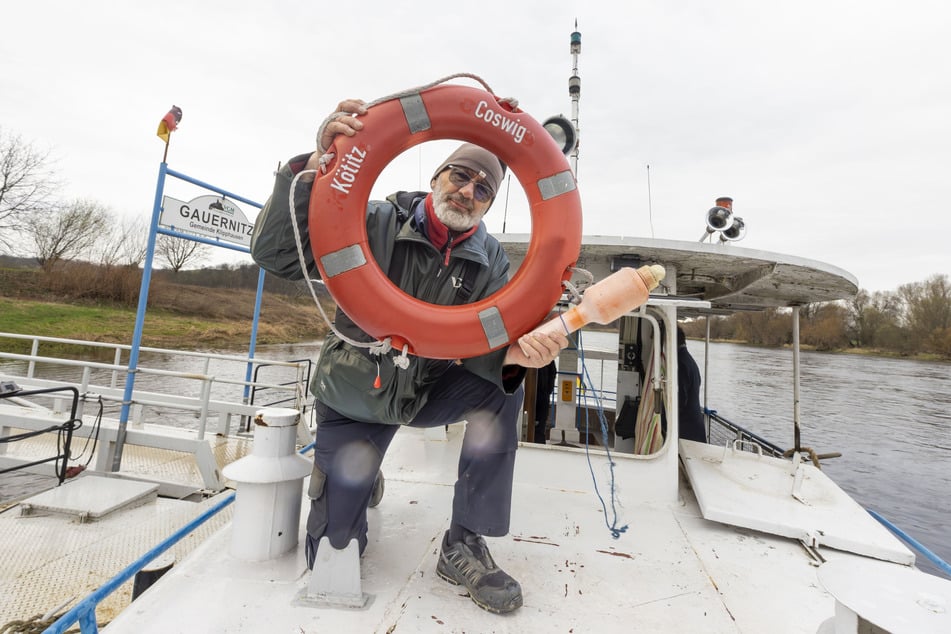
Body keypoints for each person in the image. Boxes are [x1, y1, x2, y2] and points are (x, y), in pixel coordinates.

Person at [250, 98, 568, 615]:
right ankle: (358, 477)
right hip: (355, 396)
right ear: (437, 174)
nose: (467, 192)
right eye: (459, 176)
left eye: (482, 189)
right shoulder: (370, 221)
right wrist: (312, 168)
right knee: (333, 551)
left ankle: (464, 542)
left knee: (502, 387)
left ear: (489, 204)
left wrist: (521, 356)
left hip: (424, 393)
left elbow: (491, 350)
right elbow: (274, 256)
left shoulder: (491, 264)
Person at [677, 327, 707, 443]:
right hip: (694, 425)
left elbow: (681, 399)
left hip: (687, 428)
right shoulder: (689, 360)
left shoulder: (681, 362)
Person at [533, 360, 557, 443]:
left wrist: (548, 390)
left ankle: (539, 444)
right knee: (539, 426)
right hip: (541, 395)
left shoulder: (548, 359)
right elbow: (553, 373)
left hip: (542, 396)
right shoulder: (548, 359)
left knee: (540, 426)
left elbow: (553, 373)